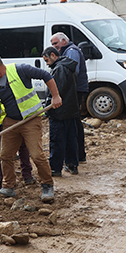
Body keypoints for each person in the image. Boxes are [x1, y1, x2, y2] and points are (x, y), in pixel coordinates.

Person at [0, 51, 62, 203]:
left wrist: (56, 96)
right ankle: (8, 186)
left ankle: (47, 185)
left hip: (31, 120)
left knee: (37, 154)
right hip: (11, 121)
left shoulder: (20, 70)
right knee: (5, 155)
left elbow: (46, 76)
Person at [50, 32, 88, 164]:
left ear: (64, 41)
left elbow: (72, 73)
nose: (55, 46)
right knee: (74, 123)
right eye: (52, 44)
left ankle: (77, 155)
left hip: (74, 92)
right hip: (74, 91)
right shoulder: (68, 51)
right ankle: (77, 156)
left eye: (56, 43)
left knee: (73, 124)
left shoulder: (71, 51)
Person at [42, 47, 80, 176]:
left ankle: (55, 169)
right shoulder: (68, 66)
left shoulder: (59, 69)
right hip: (70, 110)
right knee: (71, 139)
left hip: (59, 112)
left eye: (47, 60)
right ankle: (72, 165)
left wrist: (47, 107)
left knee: (57, 141)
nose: (47, 63)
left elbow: (56, 91)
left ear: (53, 55)